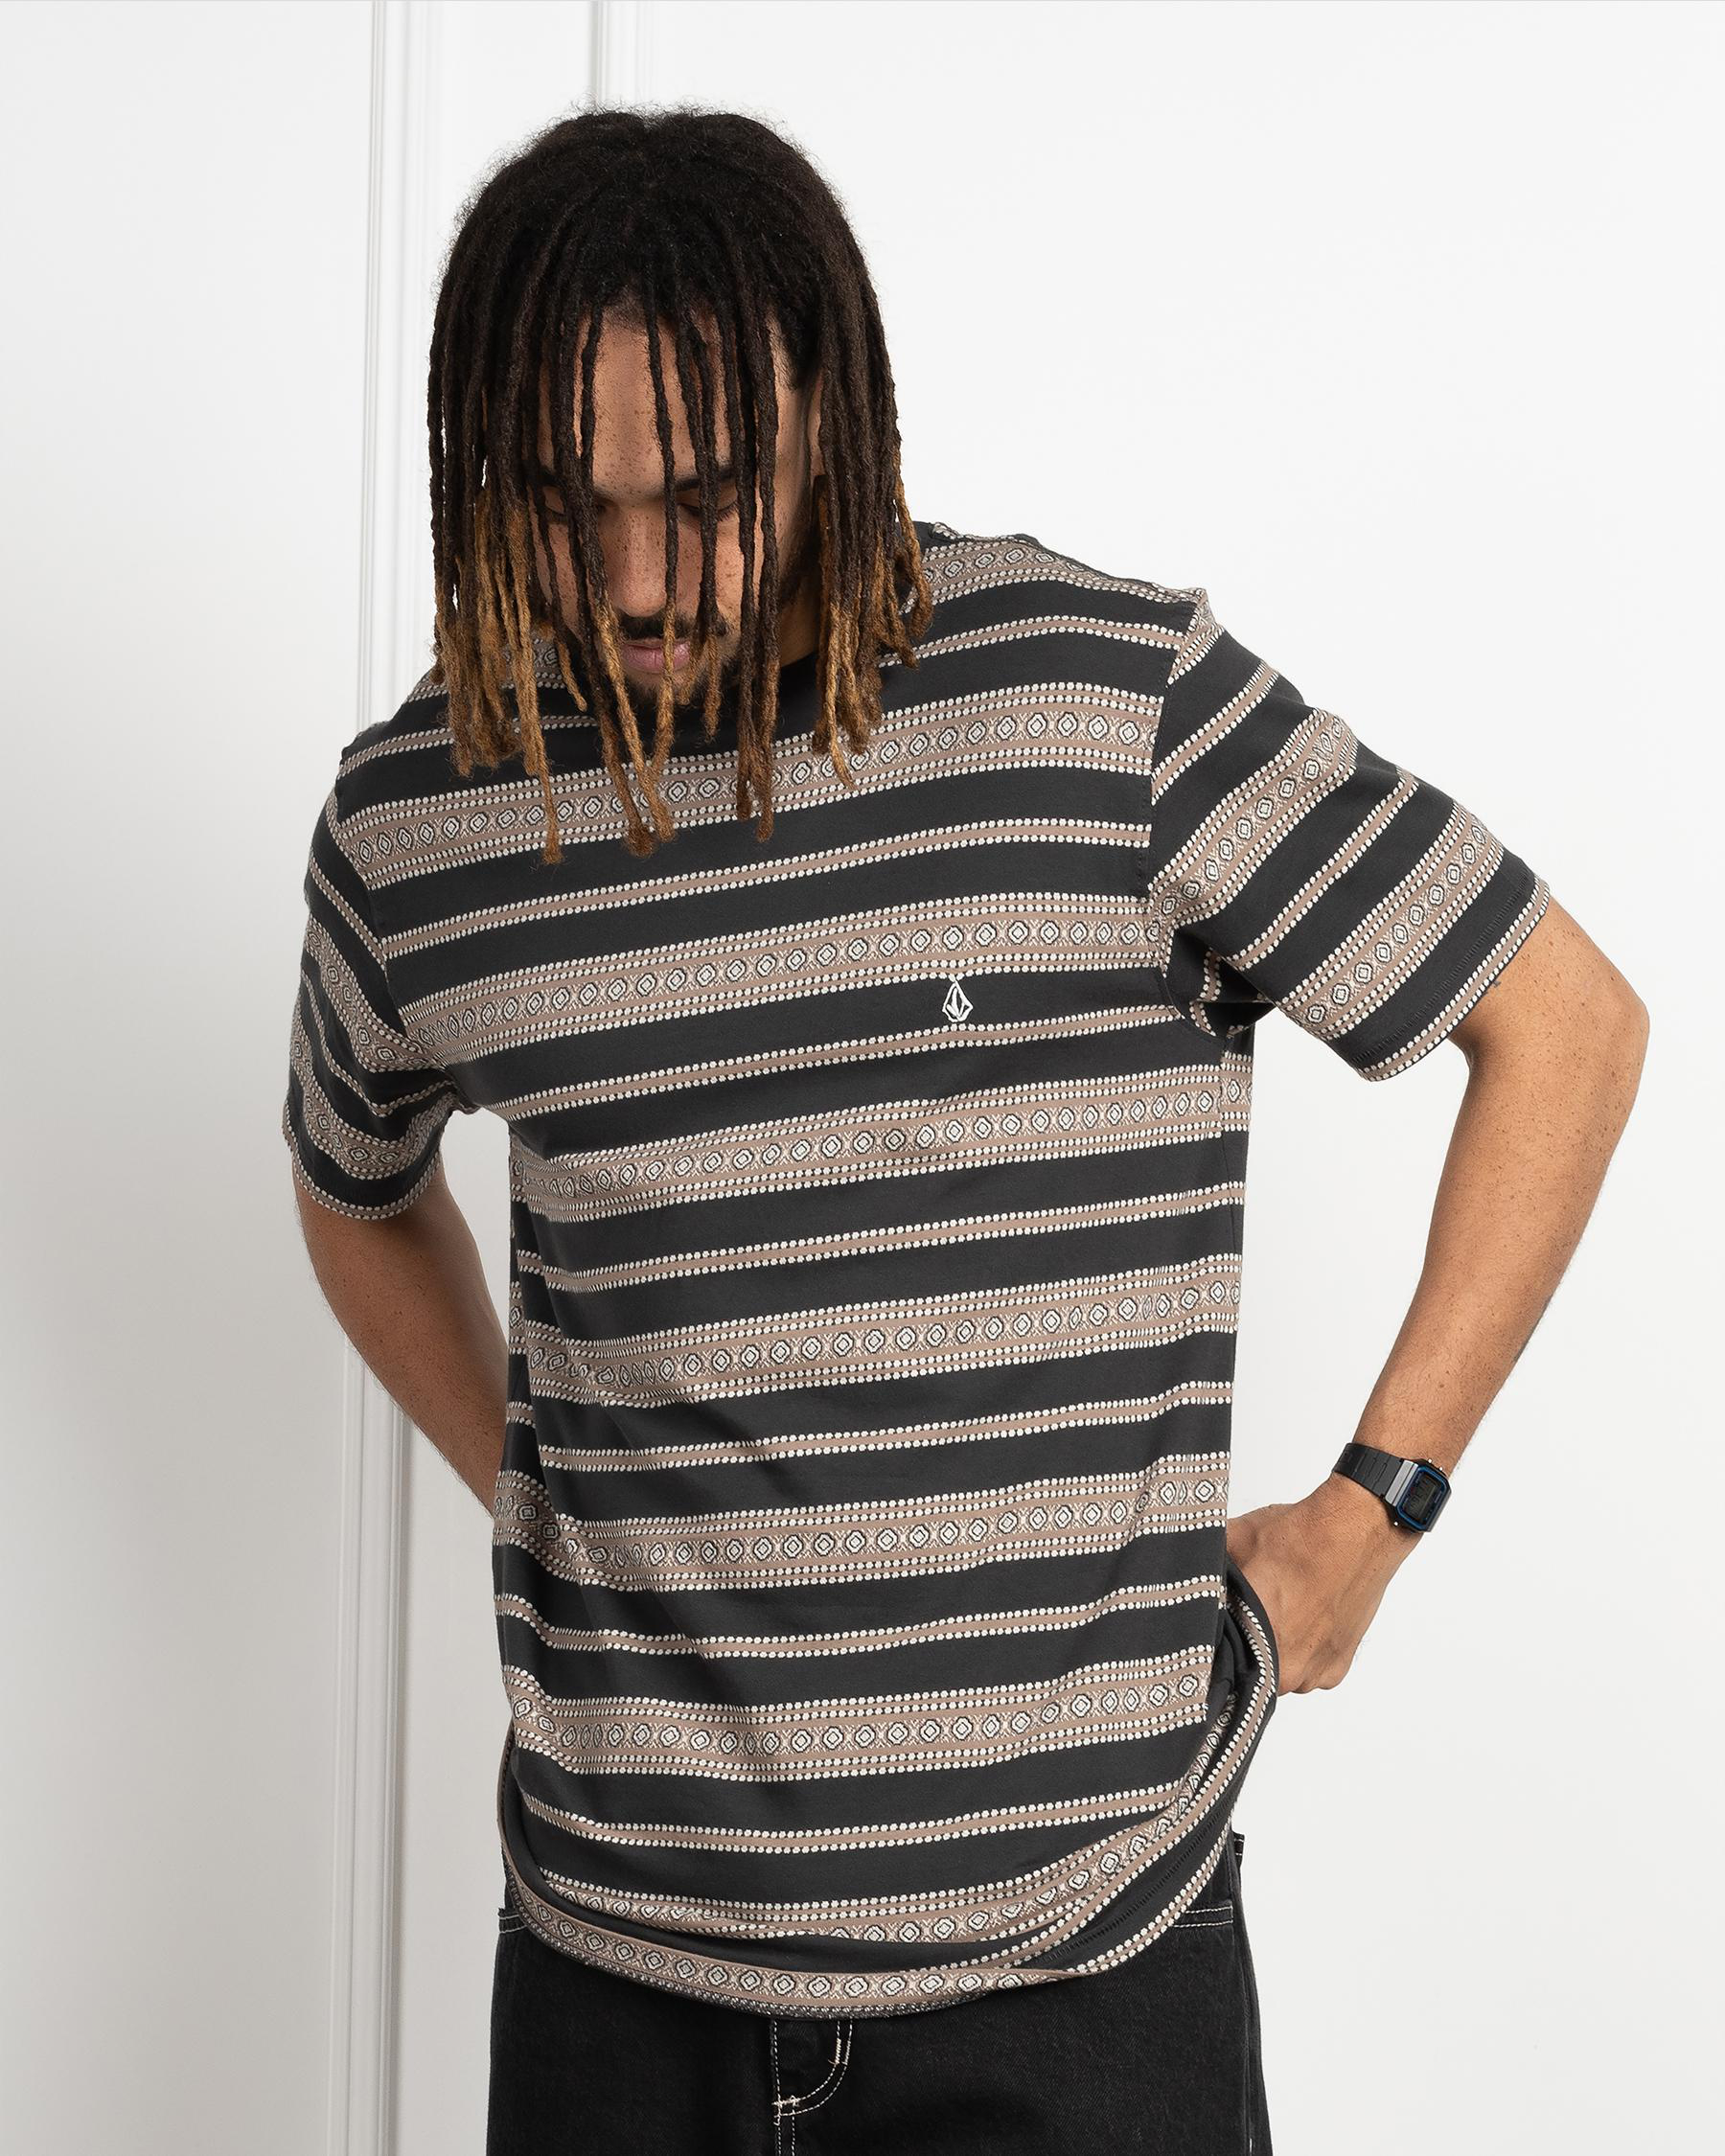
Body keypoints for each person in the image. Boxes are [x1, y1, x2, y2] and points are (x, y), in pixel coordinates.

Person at [282, 107, 1648, 2156]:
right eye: (569, 507)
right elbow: (354, 1190)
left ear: (835, 427)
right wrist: (532, 1485)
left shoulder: (1105, 704)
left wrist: (1377, 1508)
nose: (638, 585)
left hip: (1079, 1985)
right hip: (606, 1995)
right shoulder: (425, 817)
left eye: (706, 500)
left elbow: (1563, 1025)